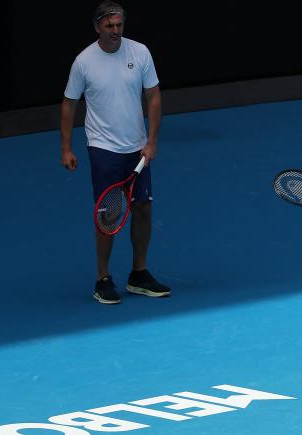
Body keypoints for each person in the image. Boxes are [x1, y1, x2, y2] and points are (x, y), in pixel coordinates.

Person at [60, 1, 170, 304]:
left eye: (119, 25)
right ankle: (103, 279)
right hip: (103, 148)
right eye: (109, 26)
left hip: (137, 147)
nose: (115, 31)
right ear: (97, 27)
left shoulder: (140, 52)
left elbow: (154, 98)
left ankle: (138, 274)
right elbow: (69, 104)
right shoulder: (84, 62)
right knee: (108, 214)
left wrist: (151, 142)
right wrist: (67, 146)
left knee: (143, 207)